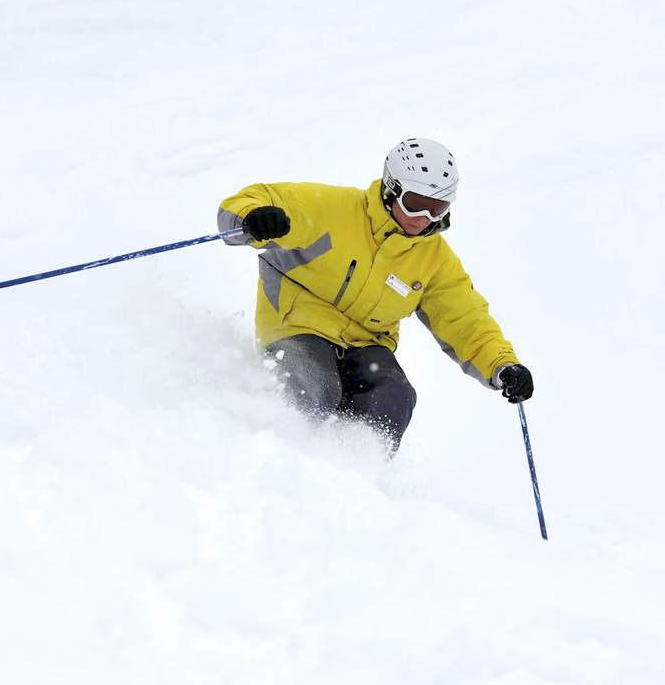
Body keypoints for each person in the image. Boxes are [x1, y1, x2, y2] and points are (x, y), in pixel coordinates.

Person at [217, 138, 533, 453]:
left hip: (366, 344)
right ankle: (282, 459)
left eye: (437, 208)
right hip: (298, 325)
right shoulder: (333, 210)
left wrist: (501, 366)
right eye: (415, 202)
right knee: (315, 388)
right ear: (390, 188)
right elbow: (256, 198)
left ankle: (359, 475)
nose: (425, 217)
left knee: (395, 396)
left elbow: (465, 320)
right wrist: (252, 218)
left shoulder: (434, 259)